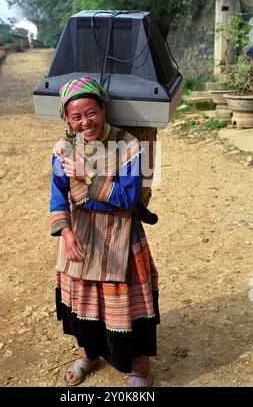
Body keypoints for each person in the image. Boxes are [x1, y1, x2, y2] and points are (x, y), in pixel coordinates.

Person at [50, 76, 160, 387]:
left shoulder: (128, 146)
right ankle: (89, 354)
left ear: (103, 109)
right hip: (82, 232)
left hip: (121, 234)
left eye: (91, 113)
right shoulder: (63, 148)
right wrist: (66, 233)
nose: (85, 122)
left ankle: (140, 369)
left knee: (125, 302)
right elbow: (58, 193)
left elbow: (127, 198)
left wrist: (88, 174)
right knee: (83, 301)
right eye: (77, 116)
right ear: (66, 119)